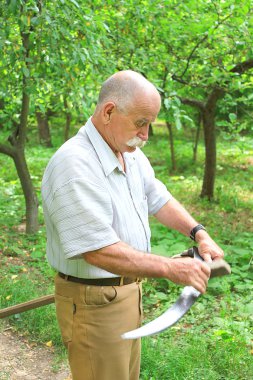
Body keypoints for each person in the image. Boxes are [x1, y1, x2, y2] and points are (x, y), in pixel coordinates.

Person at [41, 70, 223, 380]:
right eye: (140, 123)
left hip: (127, 294)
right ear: (109, 111)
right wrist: (170, 268)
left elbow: (157, 197)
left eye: (149, 124)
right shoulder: (76, 165)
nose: (146, 135)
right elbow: (98, 251)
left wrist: (199, 233)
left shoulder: (130, 153)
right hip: (93, 305)